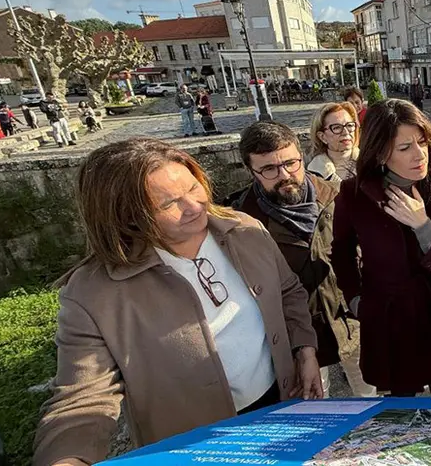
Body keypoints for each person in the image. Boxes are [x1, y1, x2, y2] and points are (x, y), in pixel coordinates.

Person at [33, 138, 322, 466]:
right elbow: (82, 402)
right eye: (169, 203)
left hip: (280, 406)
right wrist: (67, 457)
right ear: (126, 216)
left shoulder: (245, 230)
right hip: (196, 446)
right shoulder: (93, 293)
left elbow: (288, 293)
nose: (195, 207)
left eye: (193, 188)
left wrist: (305, 350)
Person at [331, 99, 431, 397]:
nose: (419, 154)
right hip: (389, 321)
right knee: (400, 413)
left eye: (422, 142)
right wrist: (357, 301)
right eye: (404, 148)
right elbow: (341, 252)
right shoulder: (354, 193)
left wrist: (423, 225)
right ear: (381, 152)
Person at [228, 122, 375, 398]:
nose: (285, 175)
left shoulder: (339, 196)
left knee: (370, 401)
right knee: (316, 410)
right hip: (295, 339)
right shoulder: (241, 225)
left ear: (302, 156)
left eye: (291, 163)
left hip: (351, 325)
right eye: (269, 169)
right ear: (251, 171)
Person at [307, 102, 360, 181]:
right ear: (322, 137)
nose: (345, 132)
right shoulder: (314, 172)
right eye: (336, 128)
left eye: (349, 125)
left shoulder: (370, 162)